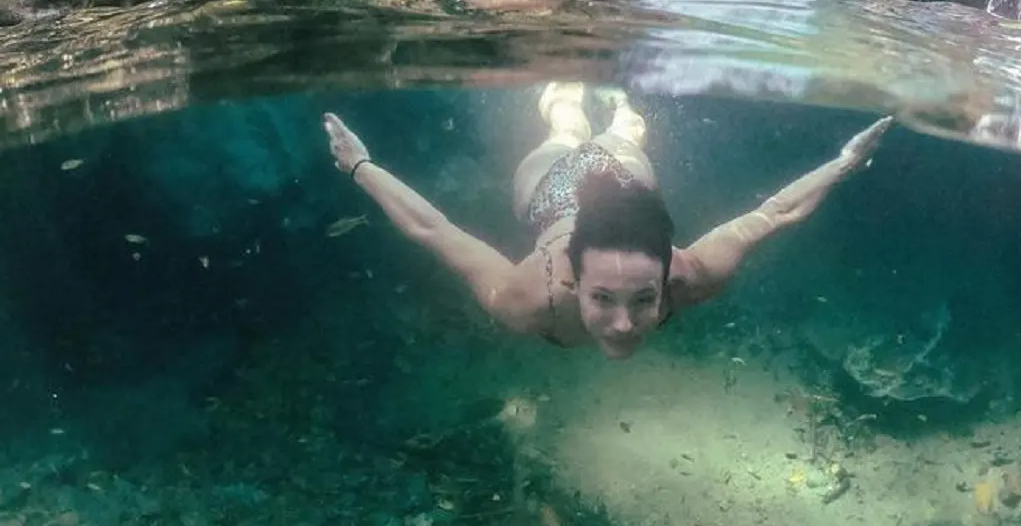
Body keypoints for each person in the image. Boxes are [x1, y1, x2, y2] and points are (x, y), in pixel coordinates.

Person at [323, 85, 891, 360]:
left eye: (643, 300)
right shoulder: (526, 294)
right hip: (554, 189)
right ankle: (565, 91)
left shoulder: (692, 274)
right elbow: (434, 230)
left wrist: (845, 163)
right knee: (563, 132)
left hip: (624, 181)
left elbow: (775, 214)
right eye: (603, 299)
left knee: (627, 135)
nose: (624, 325)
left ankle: (618, 107)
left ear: (668, 274)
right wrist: (358, 166)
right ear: (569, 277)